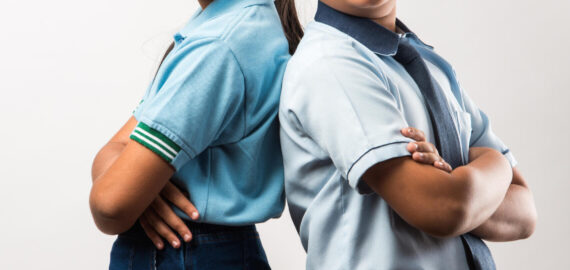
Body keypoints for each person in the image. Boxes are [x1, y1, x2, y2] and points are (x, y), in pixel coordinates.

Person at [278, 0, 537, 269]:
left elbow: (524, 211)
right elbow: (443, 208)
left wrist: (461, 189)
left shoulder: (430, 65)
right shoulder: (329, 63)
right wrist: (496, 164)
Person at [89, 0, 302, 269]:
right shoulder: (228, 25)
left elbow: (110, 205)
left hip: (185, 253)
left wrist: (134, 187)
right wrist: (145, 192)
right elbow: (114, 148)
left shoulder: (218, 46)